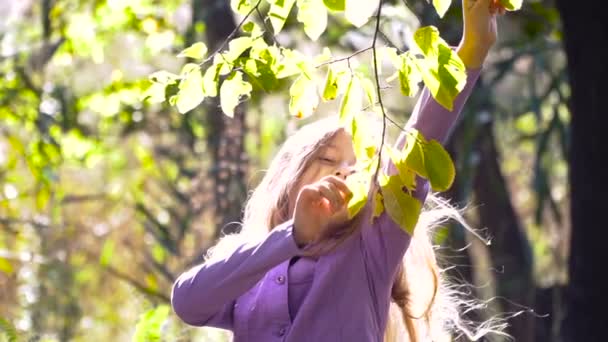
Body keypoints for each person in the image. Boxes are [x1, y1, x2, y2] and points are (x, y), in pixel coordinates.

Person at [171, 0, 507, 340]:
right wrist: (294, 237)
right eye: (328, 160)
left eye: (361, 165)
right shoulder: (251, 261)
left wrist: (472, 50)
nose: (346, 171)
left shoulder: (371, 243)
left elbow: (418, 145)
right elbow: (188, 302)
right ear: (289, 178)